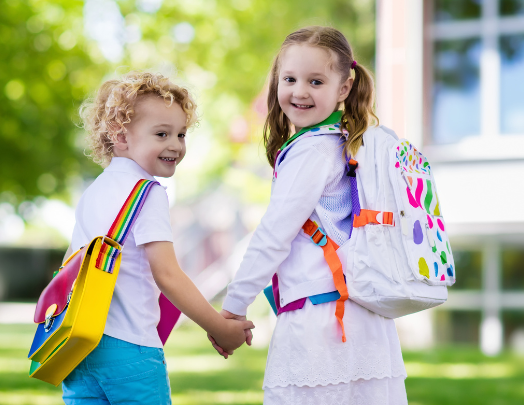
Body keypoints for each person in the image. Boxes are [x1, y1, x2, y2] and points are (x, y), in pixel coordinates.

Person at [216, 27, 407, 404]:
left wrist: (232, 309)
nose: (299, 91)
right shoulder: (348, 141)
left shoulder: (311, 151)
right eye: (289, 79)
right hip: (362, 317)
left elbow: (274, 235)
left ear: (344, 88)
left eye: (315, 81)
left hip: (320, 323)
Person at [63, 71, 254, 404]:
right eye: (161, 133)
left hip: (79, 348)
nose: (175, 145)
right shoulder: (147, 192)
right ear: (121, 137)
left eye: (181, 134)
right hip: (130, 347)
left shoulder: (94, 191)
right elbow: (167, 274)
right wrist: (220, 327)